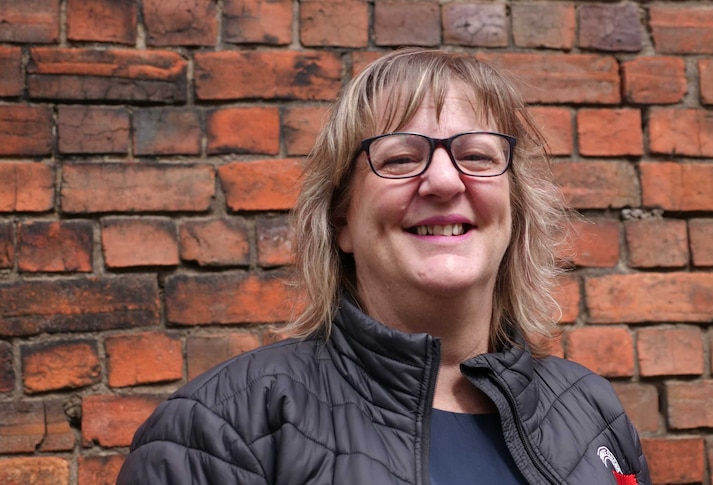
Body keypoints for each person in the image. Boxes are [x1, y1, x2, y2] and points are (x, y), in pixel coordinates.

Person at [117, 48, 651, 485]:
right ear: (342, 220)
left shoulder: (591, 412)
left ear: (515, 209)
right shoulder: (221, 430)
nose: (444, 182)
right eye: (398, 158)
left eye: (479, 156)